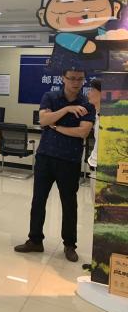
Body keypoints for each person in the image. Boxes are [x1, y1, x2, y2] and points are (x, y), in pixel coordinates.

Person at [14, 67, 95, 262]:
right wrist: (66, 110)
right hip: (45, 157)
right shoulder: (50, 97)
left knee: (69, 204)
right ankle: (35, 240)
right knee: (38, 200)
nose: (76, 82)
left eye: (80, 79)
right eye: (72, 78)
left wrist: (56, 126)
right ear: (63, 78)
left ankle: (69, 245)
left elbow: (82, 132)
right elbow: (43, 120)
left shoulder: (87, 104)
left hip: (70, 160)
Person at [87, 78, 101, 172]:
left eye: (92, 90)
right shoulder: (96, 114)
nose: (88, 93)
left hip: (103, 169)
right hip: (94, 163)